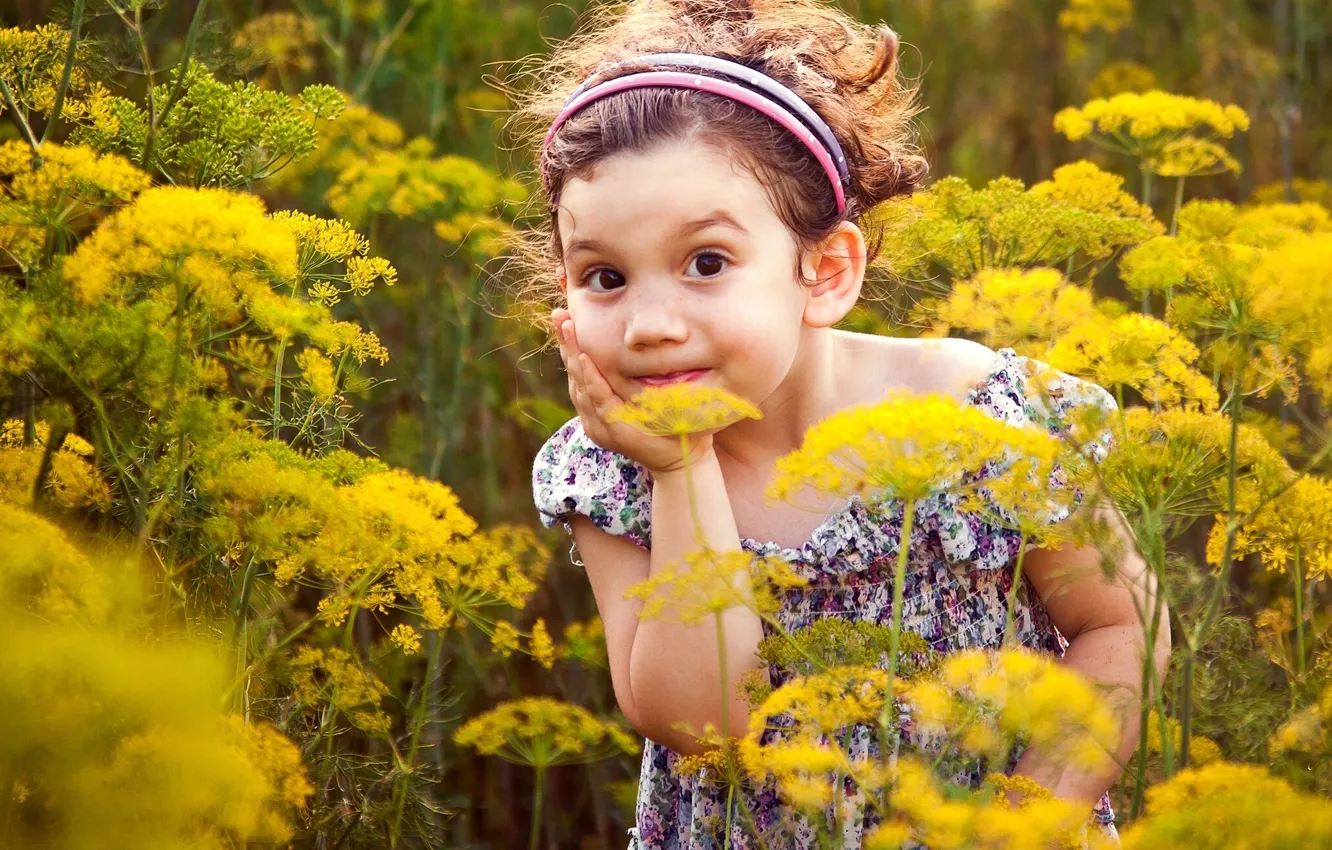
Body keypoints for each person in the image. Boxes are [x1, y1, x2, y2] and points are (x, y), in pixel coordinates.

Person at [515, 1, 1169, 846]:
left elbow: (1122, 625)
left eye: (705, 263)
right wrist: (681, 471)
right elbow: (703, 718)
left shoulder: (986, 418)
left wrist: (1025, 816)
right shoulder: (609, 469)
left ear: (824, 272)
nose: (649, 325)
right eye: (603, 276)